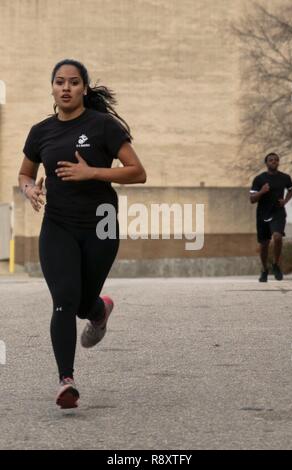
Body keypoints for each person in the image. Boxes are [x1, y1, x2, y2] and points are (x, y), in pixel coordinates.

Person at [18, 59, 147, 409]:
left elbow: (138, 172)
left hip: (101, 224)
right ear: (53, 88)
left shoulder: (103, 126)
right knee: (64, 298)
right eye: (60, 82)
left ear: (84, 89)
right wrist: (28, 190)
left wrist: (93, 173)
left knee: (80, 304)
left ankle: (99, 310)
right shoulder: (40, 131)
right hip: (58, 225)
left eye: (74, 82)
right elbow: (25, 175)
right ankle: (66, 381)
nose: (66, 88)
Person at [249, 152, 292, 282]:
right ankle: (264, 269)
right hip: (262, 214)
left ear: (278, 162)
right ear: (266, 163)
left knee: (278, 237)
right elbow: (252, 199)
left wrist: (285, 201)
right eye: (270, 160)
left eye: (275, 160)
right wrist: (262, 191)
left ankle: (276, 264)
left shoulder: (285, 178)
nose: (273, 162)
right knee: (264, 245)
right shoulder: (259, 179)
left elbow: (291, 189)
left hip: (278, 212)